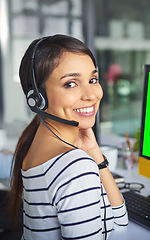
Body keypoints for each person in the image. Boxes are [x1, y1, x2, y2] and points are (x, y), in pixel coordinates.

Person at [8, 34, 128, 239]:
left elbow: (120, 221)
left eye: (92, 79)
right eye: (71, 83)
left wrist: (94, 153)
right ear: (37, 98)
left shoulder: (34, 143)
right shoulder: (75, 167)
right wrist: (87, 160)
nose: (91, 94)